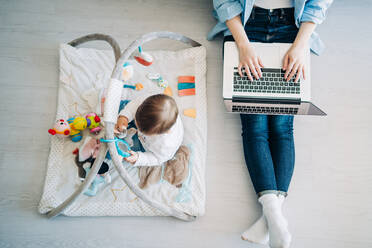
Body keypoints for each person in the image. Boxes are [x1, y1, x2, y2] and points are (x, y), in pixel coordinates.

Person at [208, 0, 332, 247]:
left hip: (292, 30)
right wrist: (243, 45)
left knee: (281, 128)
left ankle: (271, 220)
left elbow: (318, 4)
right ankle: (275, 217)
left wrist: (300, 46)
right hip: (245, 26)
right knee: (256, 127)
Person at [115, 94, 184, 166]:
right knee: (125, 106)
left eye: (140, 128)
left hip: (145, 144)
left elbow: (157, 158)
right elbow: (135, 105)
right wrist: (124, 117)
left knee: (122, 152)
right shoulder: (151, 102)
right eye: (137, 122)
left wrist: (139, 158)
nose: (137, 126)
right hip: (145, 119)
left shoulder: (166, 145)